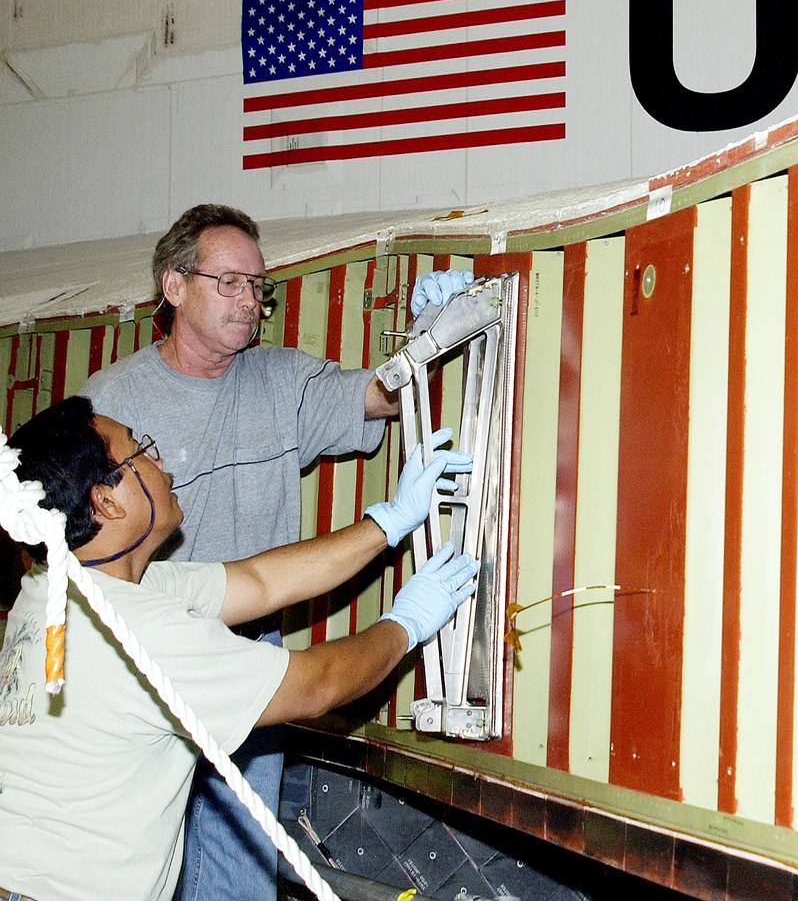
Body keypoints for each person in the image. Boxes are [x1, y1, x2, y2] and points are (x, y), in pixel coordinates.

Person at [78, 204, 471, 900]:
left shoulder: (282, 381)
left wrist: (426, 336)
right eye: (228, 282)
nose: (249, 302)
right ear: (174, 286)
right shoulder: (112, 409)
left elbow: (380, 395)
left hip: (244, 646)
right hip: (146, 656)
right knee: (140, 854)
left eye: (258, 287)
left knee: (238, 870)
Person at [0, 396, 476, 901]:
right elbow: (317, 686)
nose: (161, 461)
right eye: (141, 451)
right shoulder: (136, 628)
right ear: (107, 502)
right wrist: (406, 623)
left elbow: (260, 582)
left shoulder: (58, 589)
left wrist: (388, 523)